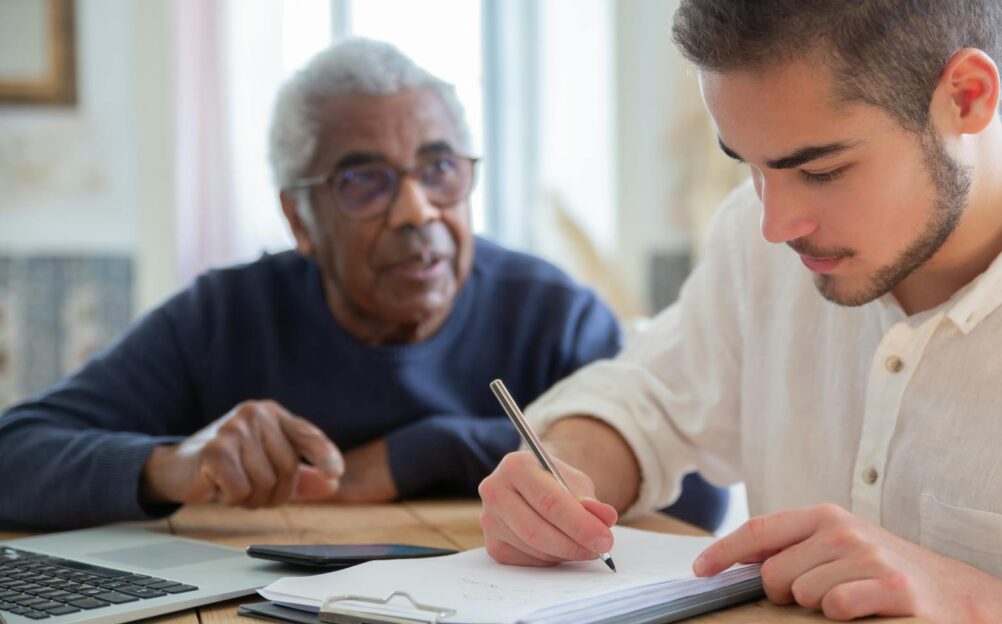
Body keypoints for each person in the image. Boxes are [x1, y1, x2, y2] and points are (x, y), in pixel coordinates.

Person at [476, 2, 1002, 623]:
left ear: (968, 97)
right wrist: (562, 473)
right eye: (748, 164)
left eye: (820, 170)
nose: (774, 222)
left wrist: (969, 600)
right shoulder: (757, 241)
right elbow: (646, 401)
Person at [0, 38, 726, 532]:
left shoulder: (552, 314)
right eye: (364, 182)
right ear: (299, 217)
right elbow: (15, 452)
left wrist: (427, 450)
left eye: (440, 169)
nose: (417, 212)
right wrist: (170, 465)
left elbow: (693, 494)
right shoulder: (225, 316)